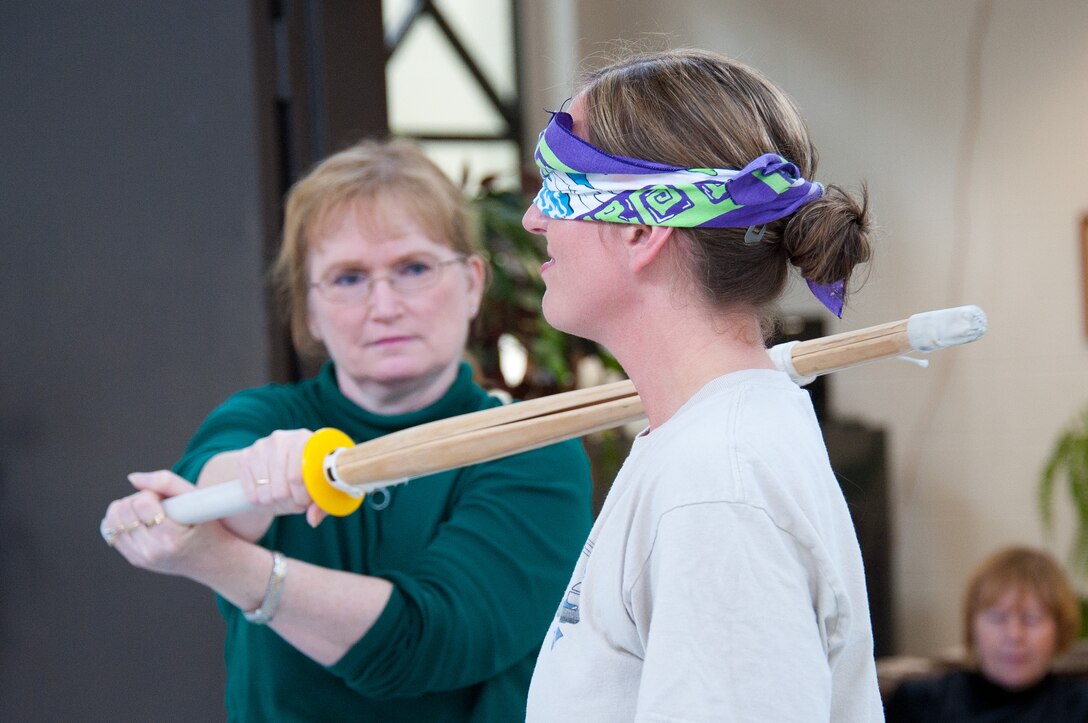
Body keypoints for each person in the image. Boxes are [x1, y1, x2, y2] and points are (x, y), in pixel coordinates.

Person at [99, 138, 594, 722]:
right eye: (348, 278)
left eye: (413, 268)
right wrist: (259, 476)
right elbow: (203, 493)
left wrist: (219, 562)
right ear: (309, 310)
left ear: (472, 283)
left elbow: (424, 644)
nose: (383, 306)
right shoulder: (264, 420)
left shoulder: (532, 446)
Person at [519, 48, 883, 721]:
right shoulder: (700, 445)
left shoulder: (717, 486)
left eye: (559, 183)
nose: (534, 218)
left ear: (643, 226)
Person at [886, 546, 1088, 722]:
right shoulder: (918, 702)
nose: (1014, 635)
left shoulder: (1081, 706)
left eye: (1031, 619)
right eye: (997, 618)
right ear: (972, 625)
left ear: (1060, 628)